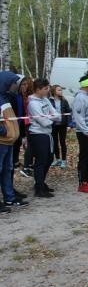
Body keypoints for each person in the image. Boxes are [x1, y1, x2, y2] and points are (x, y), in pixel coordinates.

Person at [27, 79, 60, 198]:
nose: (47, 91)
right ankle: (39, 188)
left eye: (48, 88)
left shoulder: (45, 100)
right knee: (41, 161)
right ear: (38, 89)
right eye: (45, 89)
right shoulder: (33, 103)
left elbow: (57, 115)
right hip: (38, 134)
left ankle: (40, 182)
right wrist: (51, 118)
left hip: (48, 134)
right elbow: (43, 121)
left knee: (49, 159)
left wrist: (50, 117)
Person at [1, 71, 28, 211]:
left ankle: (9, 198)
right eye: (13, 83)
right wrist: (4, 131)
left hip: (9, 141)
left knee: (7, 169)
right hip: (2, 141)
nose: (14, 86)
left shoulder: (6, 97)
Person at [49, 85, 72, 168]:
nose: (61, 91)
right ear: (54, 91)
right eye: (59, 90)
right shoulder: (49, 101)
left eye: (61, 90)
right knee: (54, 142)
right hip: (53, 125)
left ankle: (63, 160)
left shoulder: (64, 101)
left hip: (63, 125)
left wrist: (69, 125)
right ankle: (57, 159)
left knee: (62, 142)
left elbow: (68, 113)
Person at [16, 77, 34, 178]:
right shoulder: (19, 96)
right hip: (24, 122)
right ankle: (26, 167)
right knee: (29, 145)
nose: (25, 86)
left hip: (29, 122)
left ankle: (29, 165)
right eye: (23, 84)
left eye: (27, 84)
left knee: (30, 145)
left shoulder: (30, 96)